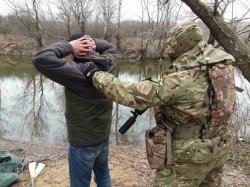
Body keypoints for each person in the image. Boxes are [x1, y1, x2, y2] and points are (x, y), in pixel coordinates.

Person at [79, 22, 236, 187]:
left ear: (180, 45)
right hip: (219, 147)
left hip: (189, 156)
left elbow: (130, 93)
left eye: (171, 45)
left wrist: (94, 74)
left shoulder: (183, 79)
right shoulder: (221, 66)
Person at [32, 34, 116, 187]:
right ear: (92, 49)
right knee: (103, 175)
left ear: (75, 51)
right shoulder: (108, 65)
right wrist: (94, 42)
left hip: (82, 143)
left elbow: (40, 58)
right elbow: (110, 47)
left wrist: (69, 45)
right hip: (103, 138)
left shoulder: (76, 72)